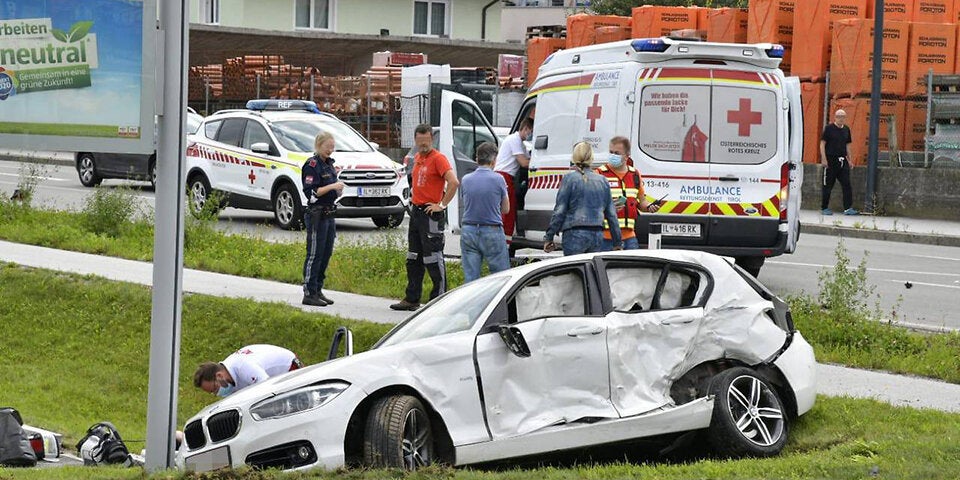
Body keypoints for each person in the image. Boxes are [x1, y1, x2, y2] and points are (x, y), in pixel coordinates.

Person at [390, 124, 460, 311]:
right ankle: (412, 298)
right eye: (420, 142)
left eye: (426, 142)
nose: (423, 145)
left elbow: (453, 182)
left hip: (431, 214)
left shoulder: (439, 159)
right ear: (415, 141)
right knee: (413, 257)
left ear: (431, 139)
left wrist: (442, 205)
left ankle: (439, 301)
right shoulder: (418, 158)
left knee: (433, 257)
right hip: (417, 212)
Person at [544, 142, 622, 255]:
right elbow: (611, 215)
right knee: (592, 271)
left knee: (574, 270)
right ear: (591, 158)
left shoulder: (569, 179)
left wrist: (549, 236)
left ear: (574, 157)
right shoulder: (602, 181)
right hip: (597, 234)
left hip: (573, 234)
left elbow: (560, 211)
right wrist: (617, 243)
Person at [301, 130, 345, 307]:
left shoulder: (329, 165)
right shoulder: (312, 165)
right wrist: (333, 186)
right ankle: (309, 292)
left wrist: (337, 190)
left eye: (332, 147)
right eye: (328, 147)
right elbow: (312, 192)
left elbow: (330, 189)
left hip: (329, 214)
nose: (330, 150)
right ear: (319, 145)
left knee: (326, 253)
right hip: (316, 215)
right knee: (314, 254)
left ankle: (318, 290)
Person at [597, 136, 659, 250]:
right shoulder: (600, 173)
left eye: (617, 153)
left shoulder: (634, 174)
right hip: (605, 238)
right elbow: (591, 205)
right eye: (611, 152)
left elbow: (641, 201)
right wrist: (608, 208)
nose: (613, 156)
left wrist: (649, 207)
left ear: (626, 156)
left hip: (630, 237)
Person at [459, 142, 510, 282]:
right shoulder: (499, 179)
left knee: (470, 278)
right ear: (494, 160)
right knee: (501, 277)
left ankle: (472, 303)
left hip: (469, 229)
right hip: (492, 230)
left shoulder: (466, 179)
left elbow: (466, 201)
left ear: (477, 159)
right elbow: (506, 209)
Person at [193, 345, 304, 397]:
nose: (217, 393)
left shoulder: (242, 366)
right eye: (213, 392)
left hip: (290, 367)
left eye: (215, 389)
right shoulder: (227, 381)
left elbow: (266, 388)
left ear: (219, 375)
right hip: (272, 376)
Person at [494, 117, 533, 244]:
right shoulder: (514, 139)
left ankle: (506, 240)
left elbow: (528, 157)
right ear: (525, 128)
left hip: (507, 177)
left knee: (509, 210)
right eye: (530, 131)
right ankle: (503, 243)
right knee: (507, 212)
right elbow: (523, 162)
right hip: (503, 176)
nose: (530, 134)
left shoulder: (520, 144)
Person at [820, 109, 858, 216]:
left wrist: (849, 160)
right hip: (830, 160)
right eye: (839, 116)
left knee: (847, 184)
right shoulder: (829, 129)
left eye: (843, 117)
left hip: (842, 160)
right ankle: (824, 207)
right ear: (835, 117)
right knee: (828, 185)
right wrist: (824, 158)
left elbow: (847, 145)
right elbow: (822, 143)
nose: (841, 119)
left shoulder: (846, 129)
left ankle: (848, 208)